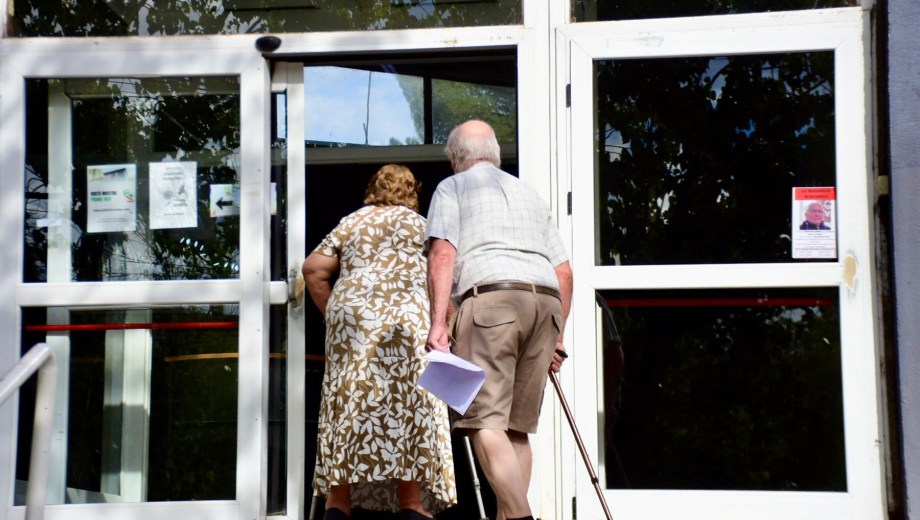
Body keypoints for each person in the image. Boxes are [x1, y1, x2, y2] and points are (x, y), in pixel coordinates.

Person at [424, 120, 573, 520]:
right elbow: (565, 273)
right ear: (496, 155)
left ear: (455, 158)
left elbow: (442, 254)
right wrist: (558, 340)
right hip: (546, 304)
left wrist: (438, 323)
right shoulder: (530, 193)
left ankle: (522, 519)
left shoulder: (451, 187)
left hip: (492, 301)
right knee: (516, 427)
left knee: (481, 419)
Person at [302, 164, 457, 520]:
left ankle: (337, 503)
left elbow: (313, 268)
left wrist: (333, 314)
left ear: (374, 188)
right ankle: (411, 503)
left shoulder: (352, 221)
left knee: (348, 400)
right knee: (408, 403)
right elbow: (441, 272)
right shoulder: (422, 226)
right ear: (411, 192)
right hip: (405, 321)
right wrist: (447, 321)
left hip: (353, 321)